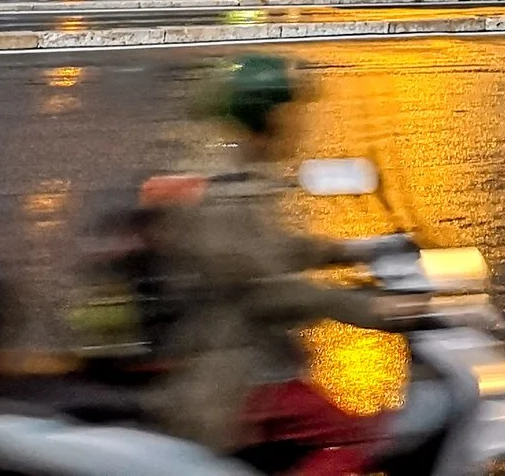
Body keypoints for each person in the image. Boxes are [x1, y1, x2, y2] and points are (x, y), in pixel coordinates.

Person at [152, 55, 411, 472]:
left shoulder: (240, 170)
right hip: (236, 379)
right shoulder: (223, 186)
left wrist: (359, 249)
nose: (297, 126)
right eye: (289, 114)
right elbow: (267, 288)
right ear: (266, 117)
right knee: (361, 437)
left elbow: (272, 249)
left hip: (258, 359)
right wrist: (370, 309)